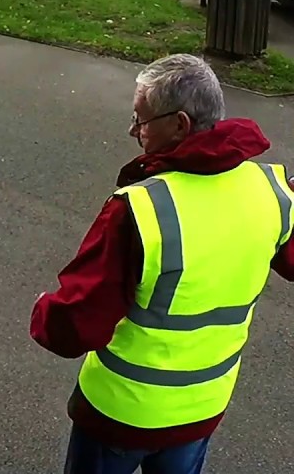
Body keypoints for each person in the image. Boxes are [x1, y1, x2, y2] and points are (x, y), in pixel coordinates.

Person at [31, 53, 294, 474]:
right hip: (202, 407)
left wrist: (45, 310)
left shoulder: (139, 209)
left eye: (141, 120)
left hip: (120, 414)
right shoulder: (273, 193)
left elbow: (78, 323)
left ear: (180, 125)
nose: (134, 131)